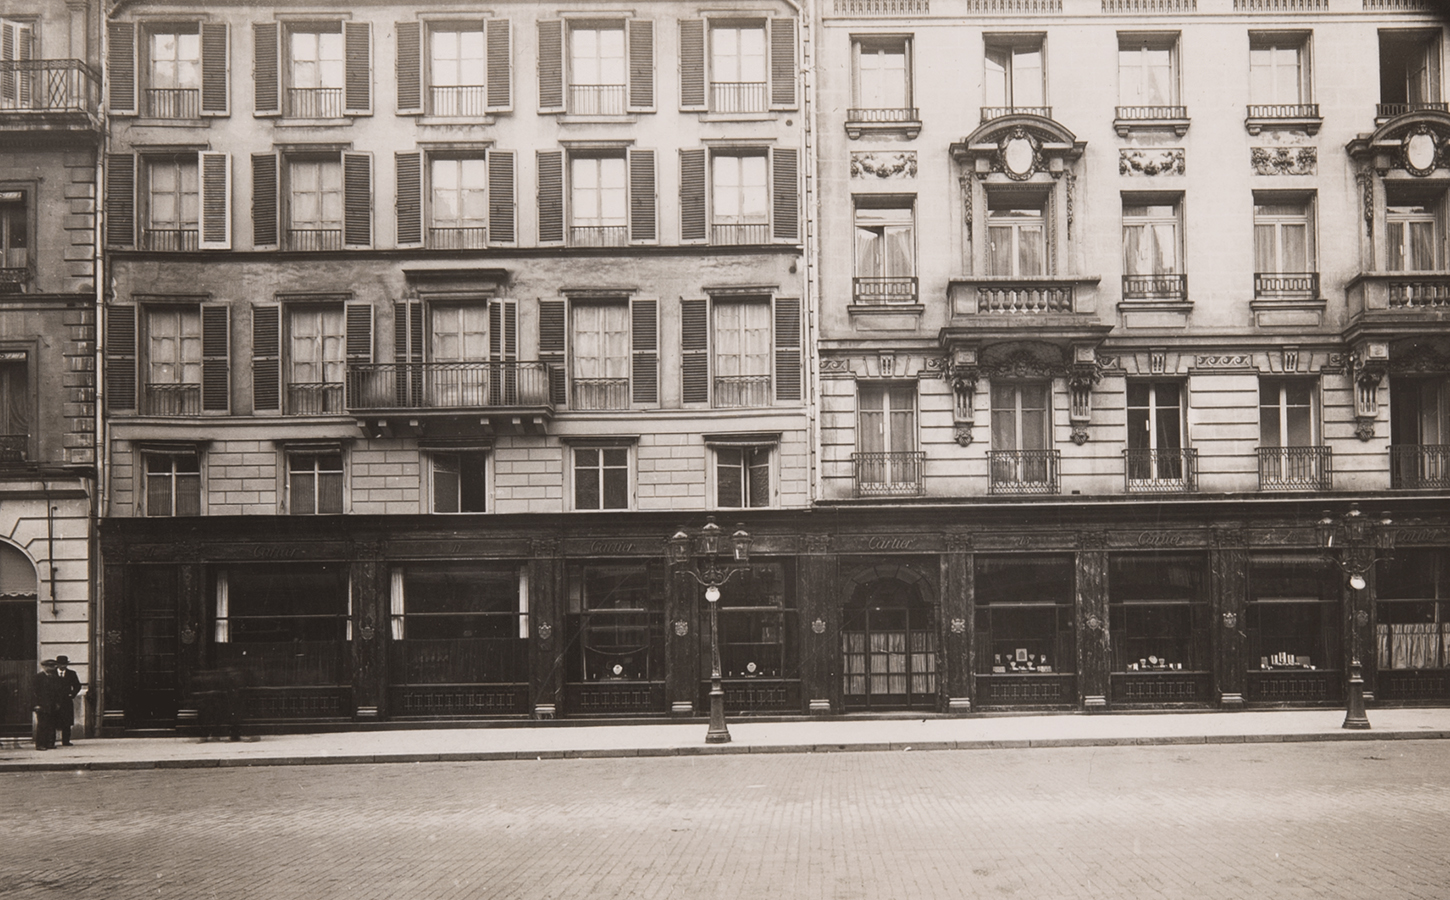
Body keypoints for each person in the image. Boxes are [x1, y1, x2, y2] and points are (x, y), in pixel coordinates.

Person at [54, 656, 82, 746]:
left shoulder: (71, 674)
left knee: (67, 722)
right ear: (57, 664)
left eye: (65, 664)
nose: (63, 666)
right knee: (53, 721)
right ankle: (52, 741)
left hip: (66, 700)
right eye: (61, 664)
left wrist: (72, 694)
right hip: (54, 701)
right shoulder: (52, 674)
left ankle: (66, 741)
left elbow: (77, 686)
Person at [31, 660, 59, 750]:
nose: (52, 668)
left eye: (53, 666)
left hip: (52, 705)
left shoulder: (54, 678)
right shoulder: (38, 677)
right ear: (44, 667)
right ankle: (40, 744)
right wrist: (36, 705)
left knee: (51, 724)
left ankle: (49, 743)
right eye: (49, 666)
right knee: (42, 725)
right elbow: (33, 693)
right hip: (41, 705)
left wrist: (57, 703)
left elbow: (56, 692)